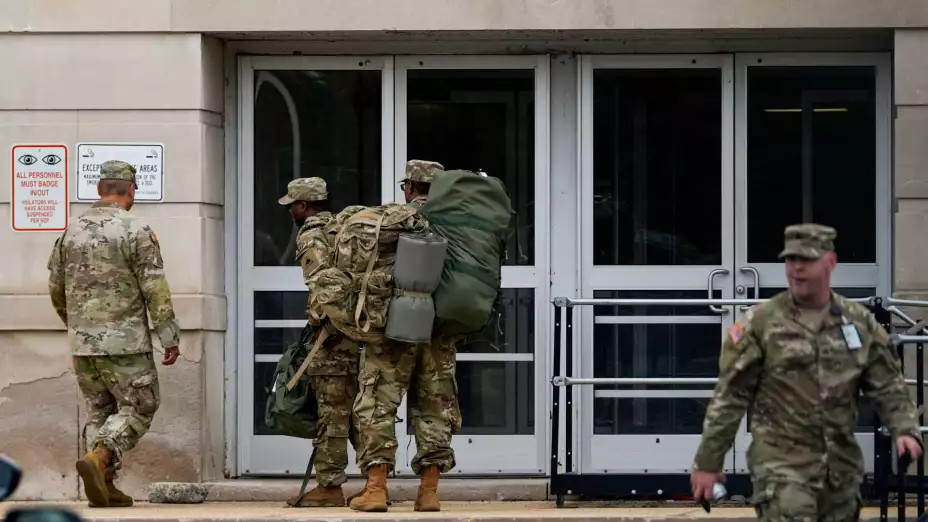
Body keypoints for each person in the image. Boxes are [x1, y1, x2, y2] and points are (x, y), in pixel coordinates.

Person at [690, 223, 923, 521]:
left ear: (831, 262)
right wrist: (708, 463)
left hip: (840, 474)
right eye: (791, 260)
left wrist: (905, 429)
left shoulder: (857, 323)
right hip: (782, 472)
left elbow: (887, 383)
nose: (797, 268)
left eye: (807, 260)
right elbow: (730, 396)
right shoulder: (761, 324)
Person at [47, 160, 180, 508]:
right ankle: (101, 456)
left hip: (82, 343)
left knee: (99, 412)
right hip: (126, 342)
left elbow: (55, 286)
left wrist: (75, 324)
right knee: (141, 405)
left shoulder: (70, 231)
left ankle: (104, 486)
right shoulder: (136, 230)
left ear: (99, 190)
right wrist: (169, 335)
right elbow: (155, 287)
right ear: (131, 191)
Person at [348, 160, 462, 513]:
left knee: (377, 404)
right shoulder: (461, 223)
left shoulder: (394, 218)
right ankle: (429, 492)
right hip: (440, 330)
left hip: (395, 328)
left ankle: (377, 489)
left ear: (410, 187)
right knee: (436, 407)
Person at [278, 177, 363, 508]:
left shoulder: (311, 235)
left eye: (292, 207)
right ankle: (376, 479)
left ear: (302, 206)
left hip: (333, 337)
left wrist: (321, 325)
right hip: (360, 333)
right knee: (357, 411)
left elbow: (323, 287)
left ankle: (329, 486)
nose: (291, 213)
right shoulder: (344, 227)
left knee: (332, 412)